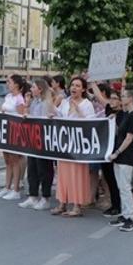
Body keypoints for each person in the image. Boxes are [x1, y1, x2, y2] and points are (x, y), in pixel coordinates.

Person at [51, 76, 94, 217]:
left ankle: (77, 205)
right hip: (64, 144)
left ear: (83, 89)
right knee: (63, 173)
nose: (74, 88)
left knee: (77, 174)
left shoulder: (87, 104)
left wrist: (79, 111)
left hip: (79, 145)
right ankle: (62, 202)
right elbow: (60, 116)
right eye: (72, 85)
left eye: (77, 85)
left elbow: (91, 124)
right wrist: (54, 115)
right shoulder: (65, 102)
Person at [108, 85, 133, 232]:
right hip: (120, 157)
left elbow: (129, 138)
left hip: (126, 156)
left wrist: (117, 152)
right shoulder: (126, 114)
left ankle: (131, 219)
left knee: (125, 188)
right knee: (121, 187)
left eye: (123, 96)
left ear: (130, 98)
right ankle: (124, 215)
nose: (121, 98)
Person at [19, 79, 56, 211]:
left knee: (44, 169)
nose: (31, 90)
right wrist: (27, 106)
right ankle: (33, 195)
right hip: (32, 140)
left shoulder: (47, 103)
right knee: (32, 168)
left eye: (34, 87)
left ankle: (45, 197)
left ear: (40, 89)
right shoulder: (34, 102)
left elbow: (46, 119)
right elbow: (30, 116)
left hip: (43, 140)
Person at [90, 80, 123, 219]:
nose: (112, 101)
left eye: (116, 99)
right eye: (112, 98)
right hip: (107, 150)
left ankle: (120, 206)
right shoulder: (109, 109)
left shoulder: (124, 114)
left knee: (118, 180)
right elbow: (99, 97)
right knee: (109, 178)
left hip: (118, 150)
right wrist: (92, 82)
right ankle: (114, 205)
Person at [0, 75, 27, 201]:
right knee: (7, 160)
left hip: (15, 132)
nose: (8, 84)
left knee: (15, 160)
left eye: (10, 82)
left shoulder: (19, 99)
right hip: (5, 130)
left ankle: (16, 188)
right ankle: (7, 187)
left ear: (17, 85)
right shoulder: (8, 97)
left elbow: (21, 116)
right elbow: (0, 108)